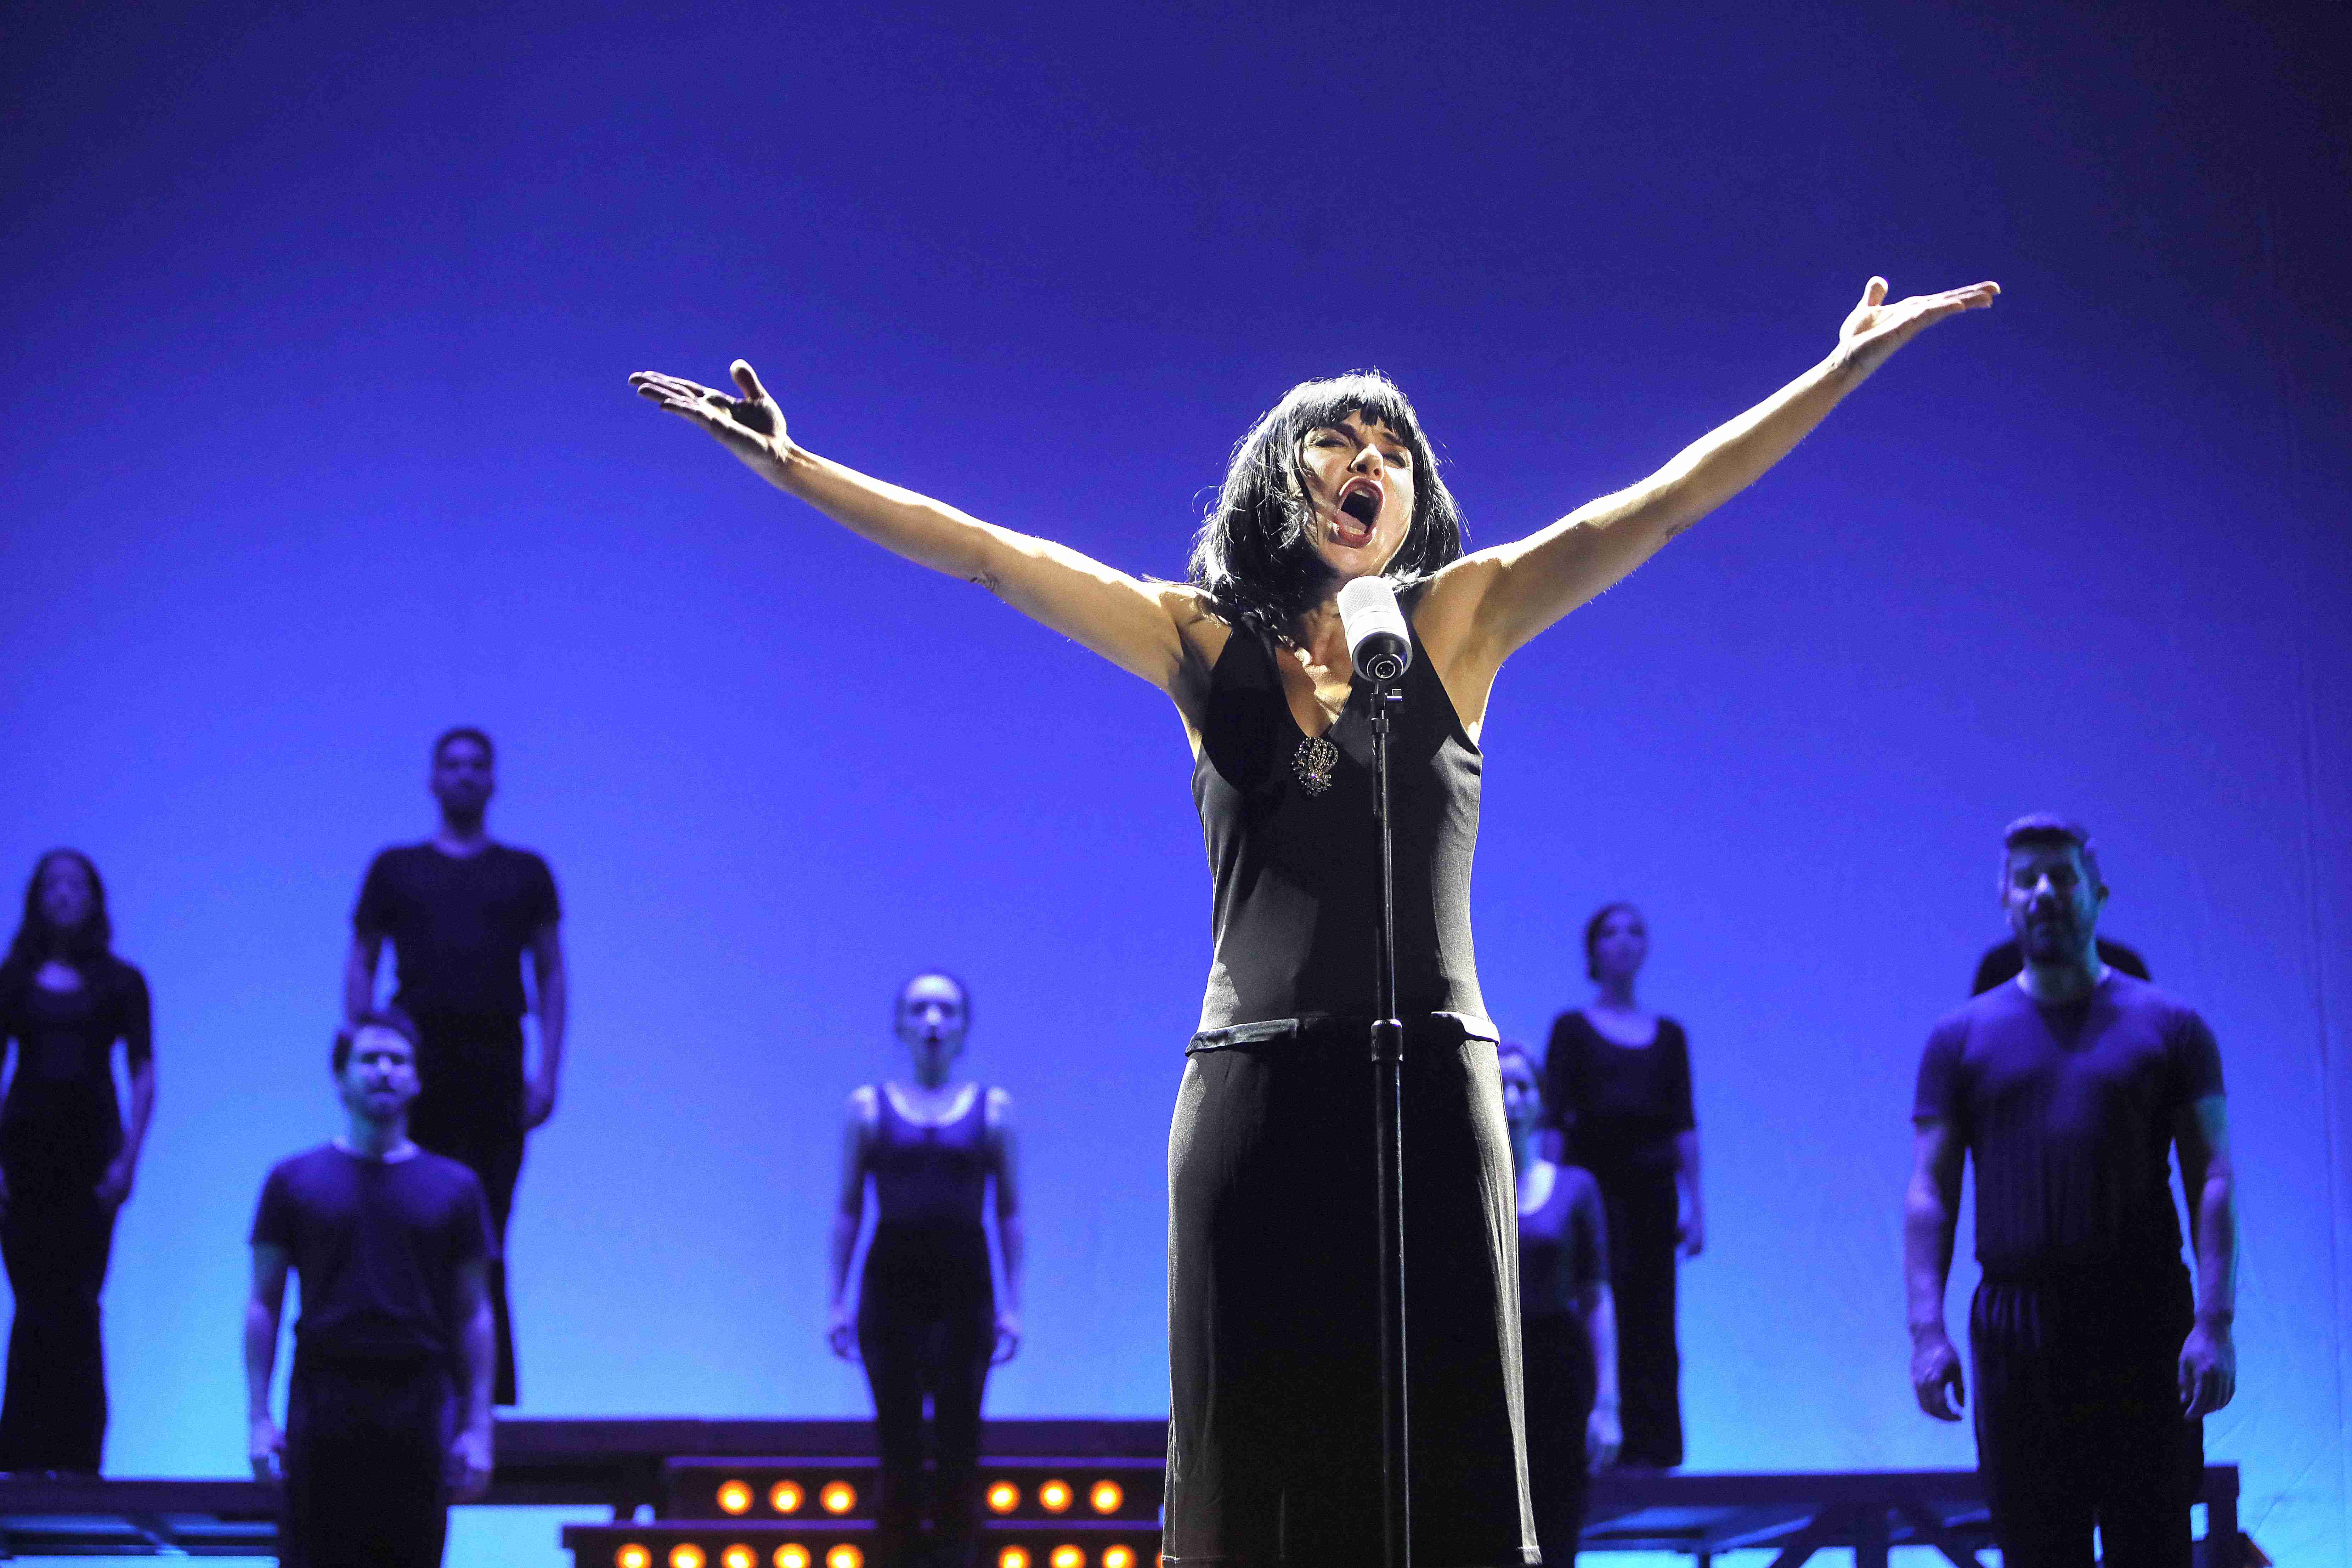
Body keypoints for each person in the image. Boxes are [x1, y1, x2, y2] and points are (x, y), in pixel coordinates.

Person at [631, 269, 1997, 1568]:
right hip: (1254, 1092)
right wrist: (795, 468)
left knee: (1442, 1459)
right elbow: (995, 559)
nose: (1370, 462)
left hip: (1433, 1086)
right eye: (1337, 442)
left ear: (1416, 494)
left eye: (1393, 447)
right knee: (1264, 1457)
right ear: (1280, 481)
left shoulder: (1463, 619)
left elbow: (1663, 505)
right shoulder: (1198, 642)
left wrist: (1839, 368)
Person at [1905, 816, 2235, 1568]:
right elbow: (1930, 1188)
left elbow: (2210, 1174)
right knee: (2034, 1549)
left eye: (2061, 875)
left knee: (2148, 1544)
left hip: (2140, 1316)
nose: (2044, 892)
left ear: (2097, 890)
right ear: (2003, 896)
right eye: (2027, 878)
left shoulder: (2171, 1026)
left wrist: (2212, 1323)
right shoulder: (1958, 1039)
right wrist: (1925, 1330)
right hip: (2016, 1324)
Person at [345, 725, 564, 1405]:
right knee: (415, 1215)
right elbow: (362, 960)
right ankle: (413, 1378)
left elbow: (552, 972)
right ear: (433, 778)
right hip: (419, 1061)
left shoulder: (524, 872)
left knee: (487, 1223)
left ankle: (484, 1391)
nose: (465, 776)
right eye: (453, 765)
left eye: (477, 766)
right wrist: (364, 1049)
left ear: (492, 781)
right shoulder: (396, 869)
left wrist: (549, 1071)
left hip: (497, 1060)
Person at [246, 1009, 495, 1568]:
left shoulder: (455, 1187)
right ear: (341, 1077)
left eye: (398, 1059)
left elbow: (475, 1312)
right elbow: (264, 1301)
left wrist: (479, 1429)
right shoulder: (294, 1180)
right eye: (369, 1058)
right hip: (324, 1395)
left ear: (417, 1079)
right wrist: (259, 1417)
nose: (384, 1070)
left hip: (419, 1400)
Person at [827, 973, 1023, 1568]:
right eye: (920, 1009)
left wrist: (1012, 1306)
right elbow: (848, 1208)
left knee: (961, 1435)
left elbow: (1009, 1210)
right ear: (901, 1025)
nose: (933, 1020)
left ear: (963, 1027)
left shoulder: (993, 1109)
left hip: (966, 1285)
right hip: (891, 1285)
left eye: (947, 1009)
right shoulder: (867, 1108)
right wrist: (836, 1301)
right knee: (901, 1440)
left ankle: (958, 1559)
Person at [0, 850, 154, 1474]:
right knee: (33, 1300)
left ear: (95, 898)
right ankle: (18, 1455)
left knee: (81, 1300)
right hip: (23, 1159)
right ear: (38, 898)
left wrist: (128, 1162)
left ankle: (80, 1455)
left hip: (92, 1160)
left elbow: (144, 1075)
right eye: (53, 885)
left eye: (77, 884)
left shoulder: (122, 981)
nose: (65, 894)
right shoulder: (10, 982)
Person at [1541, 902, 1699, 1469]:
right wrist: (1546, 1200)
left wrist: (1699, 1206)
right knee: (1597, 1302)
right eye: (1612, 931)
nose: (1625, 941)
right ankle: (1589, 1435)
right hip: (1593, 1195)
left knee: (1654, 1314)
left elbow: (1684, 1123)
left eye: (1637, 930)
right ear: (1593, 950)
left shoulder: (1670, 1035)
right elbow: (1554, 1120)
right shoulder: (1572, 1029)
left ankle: (1654, 1447)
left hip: (1654, 1196)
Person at [1499, 1043, 1617, 1568]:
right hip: (1490, 1365)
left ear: (1540, 1100)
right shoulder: (1468, 1186)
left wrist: (1608, 1402)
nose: (1511, 1098)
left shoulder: (1575, 1187)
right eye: (1500, 1084)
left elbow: (1596, 1294)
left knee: (1557, 1515)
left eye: (1523, 1086)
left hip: (1556, 1364)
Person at [1970, 933, 2147, 996]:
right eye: (2030, 881)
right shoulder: (1998, 969)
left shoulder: (2126, 968)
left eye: (2063, 879)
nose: (2046, 892)